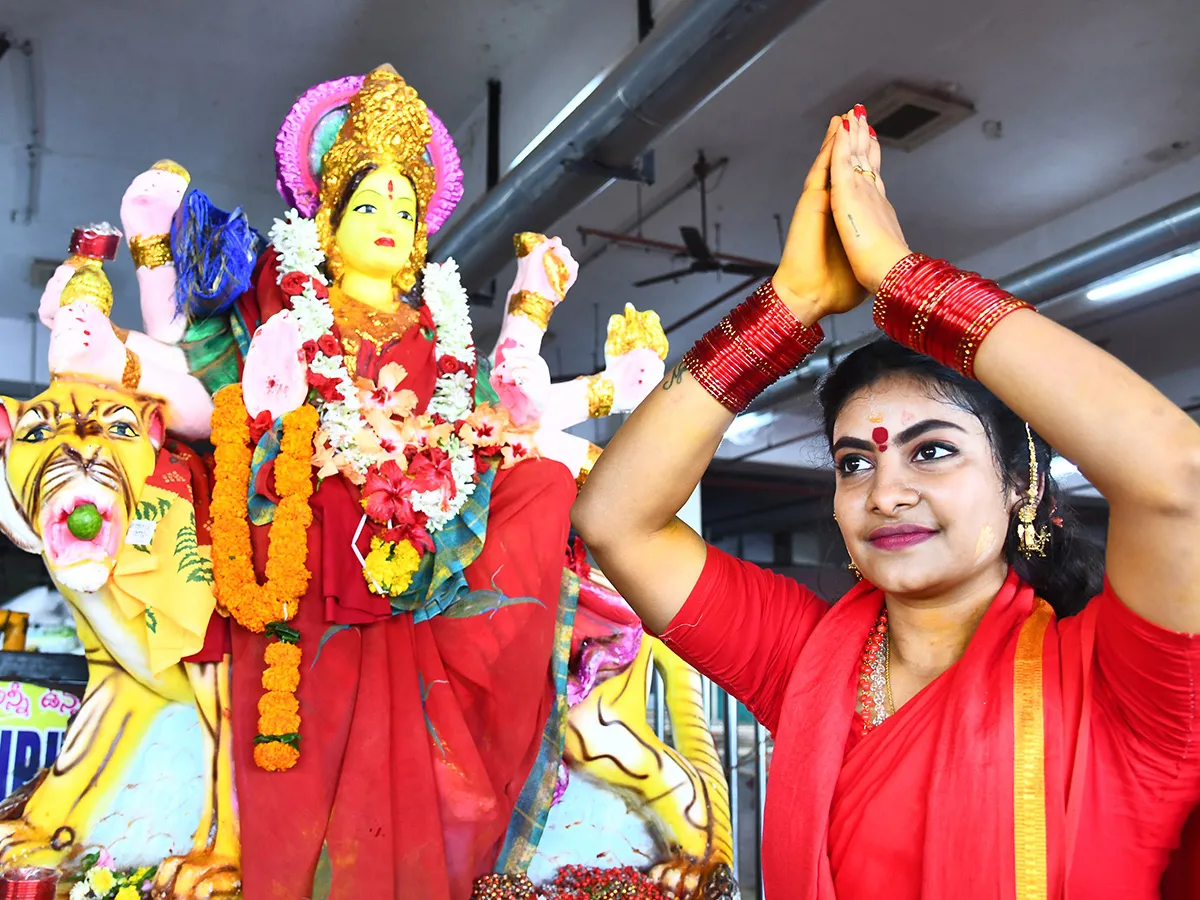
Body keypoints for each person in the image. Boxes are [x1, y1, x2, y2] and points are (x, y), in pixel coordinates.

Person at [572, 105, 1200, 898]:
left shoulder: (1123, 685)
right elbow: (613, 520)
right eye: (853, 463)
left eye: (932, 451)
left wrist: (904, 280)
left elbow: (1180, 478)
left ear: (1020, 482)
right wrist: (787, 307)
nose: (887, 492)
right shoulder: (811, 668)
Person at [181, 67, 575, 899]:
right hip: (311, 551)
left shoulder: (442, 329)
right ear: (324, 222)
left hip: (420, 551)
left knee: (541, 482)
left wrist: (532, 324)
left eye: (404, 208)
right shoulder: (286, 304)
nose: (390, 222)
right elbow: (224, 386)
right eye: (368, 206)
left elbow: (487, 428)